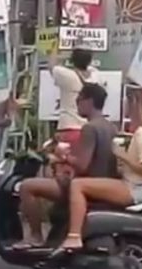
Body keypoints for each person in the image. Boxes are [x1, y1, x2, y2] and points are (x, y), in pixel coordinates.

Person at [15, 83, 118, 251]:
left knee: (27, 187)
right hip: (101, 183)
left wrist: (62, 156)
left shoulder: (90, 128)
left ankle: (35, 237)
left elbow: (83, 165)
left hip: (85, 185)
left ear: (89, 101)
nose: (77, 102)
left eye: (80, 99)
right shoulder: (110, 127)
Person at [67, 85, 142, 250]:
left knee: (77, 185)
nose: (124, 106)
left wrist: (121, 155)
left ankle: (74, 236)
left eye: (126, 103)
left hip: (134, 189)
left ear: (134, 105)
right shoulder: (129, 130)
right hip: (134, 185)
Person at [50, 49, 98, 146]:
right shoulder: (95, 77)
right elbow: (91, 68)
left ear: (72, 60)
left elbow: (51, 65)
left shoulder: (67, 76)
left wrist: (60, 52)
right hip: (88, 130)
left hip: (67, 127)